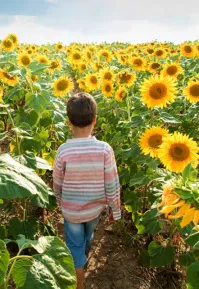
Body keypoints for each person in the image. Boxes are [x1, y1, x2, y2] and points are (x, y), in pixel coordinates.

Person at [53, 92, 121, 289]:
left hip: (72, 211)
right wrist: (114, 209)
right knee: (88, 236)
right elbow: (112, 182)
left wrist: (59, 199)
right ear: (95, 120)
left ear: (68, 122)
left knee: (74, 246)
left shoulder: (64, 150)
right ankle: (82, 262)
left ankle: (78, 280)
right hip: (94, 210)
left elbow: (57, 180)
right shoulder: (104, 149)